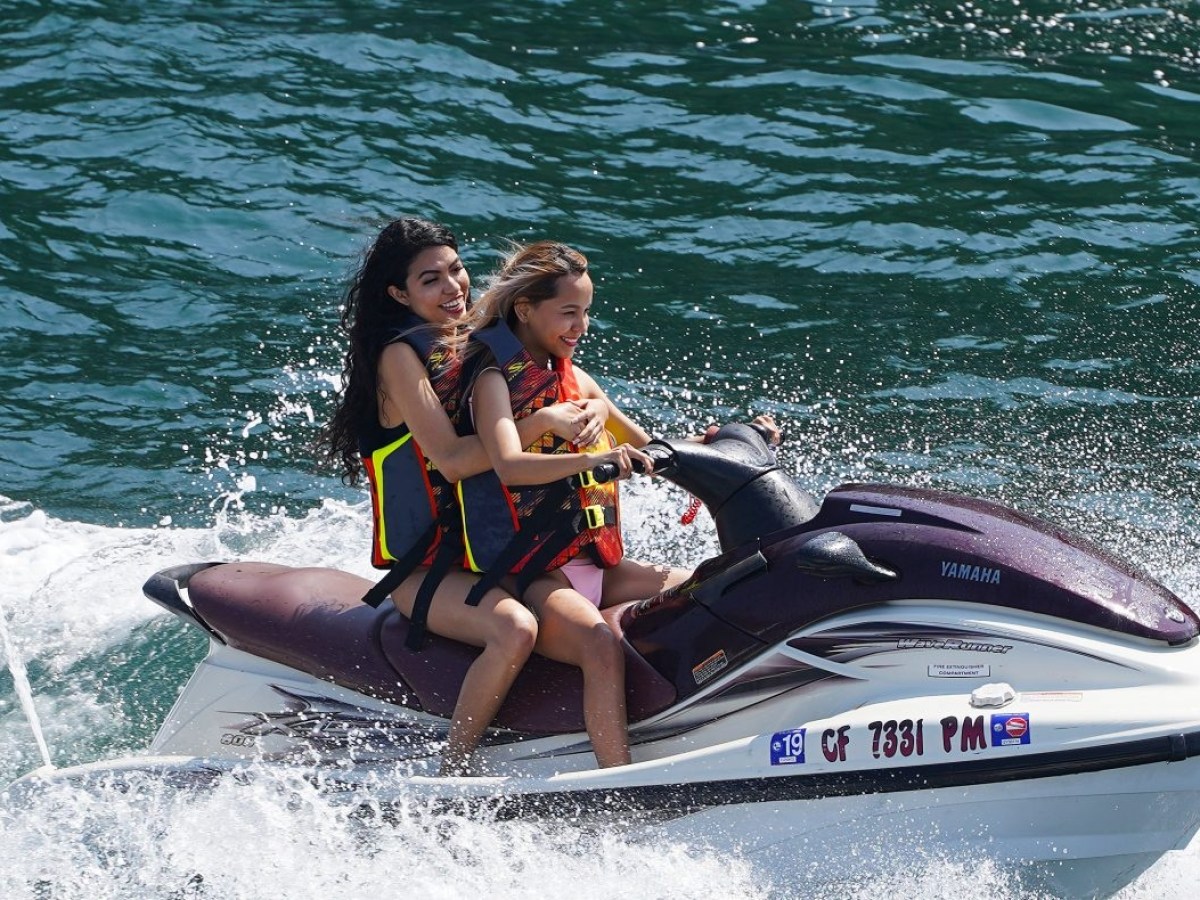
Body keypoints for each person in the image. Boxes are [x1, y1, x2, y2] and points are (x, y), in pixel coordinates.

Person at [317, 217, 610, 775]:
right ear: (400, 294)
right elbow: (451, 461)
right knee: (514, 629)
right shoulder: (399, 357)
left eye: (456, 270)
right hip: (424, 567)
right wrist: (545, 420)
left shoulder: (476, 338)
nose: (453, 287)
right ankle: (452, 771)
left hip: (493, 551)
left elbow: (575, 381)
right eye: (430, 280)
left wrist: (594, 411)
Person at [449, 240, 689, 768]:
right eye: (568, 313)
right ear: (525, 309)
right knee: (600, 646)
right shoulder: (493, 379)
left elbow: (649, 447)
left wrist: (714, 449)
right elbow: (508, 464)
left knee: (707, 584)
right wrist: (592, 461)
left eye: (586, 313)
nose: (580, 326)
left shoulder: (575, 378)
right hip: (535, 571)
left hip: (596, 561)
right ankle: (618, 783)